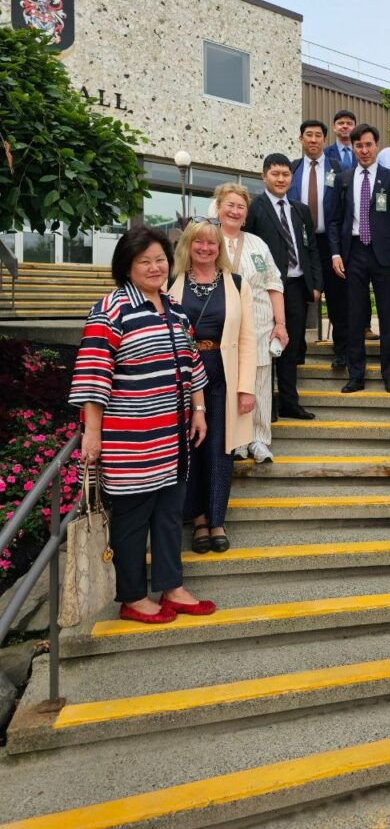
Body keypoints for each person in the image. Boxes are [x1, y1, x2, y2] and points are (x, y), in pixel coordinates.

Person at [69, 225, 214, 624]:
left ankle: (172, 586)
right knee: (132, 521)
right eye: (144, 261)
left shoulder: (173, 307)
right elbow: (93, 374)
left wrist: (199, 410)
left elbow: (193, 364)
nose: (155, 267)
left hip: (173, 436)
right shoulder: (111, 309)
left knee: (169, 515)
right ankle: (133, 597)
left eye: (160, 260)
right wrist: (92, 435)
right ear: (127, 266)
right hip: (130, 439)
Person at [170, 219, 256, 554]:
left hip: (224, 374)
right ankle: (199, 520)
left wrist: (246, 388)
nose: (205, 249)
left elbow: (248, 339)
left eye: (212, 244)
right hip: (184, 378)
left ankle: (217, 519)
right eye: (199, 243)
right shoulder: (170, 282)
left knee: (221, 449)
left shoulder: (236, 283)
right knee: (190, 447)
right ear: (188, 246)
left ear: (220, 249)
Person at [328, 123, 390, 394]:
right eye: (358, 145)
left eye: (368, 144)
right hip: (353, 253)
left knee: (389, 317)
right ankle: (356, 375)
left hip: (386, 256)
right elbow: (335, 219)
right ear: (353, 147)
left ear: (377, 145)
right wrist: (336, 253)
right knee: (354, 317)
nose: (364, 150)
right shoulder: (344, 178)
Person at [212, 182, 287, 463]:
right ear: (218, 208)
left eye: (240, 207)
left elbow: (274, 284)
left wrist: (280, 324)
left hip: (259, 325)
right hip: (221, 329)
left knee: (259, 382)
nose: (234, 211)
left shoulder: (258, 244)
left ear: (246, 214)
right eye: (229, 205)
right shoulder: (208, 240)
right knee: (229, 383)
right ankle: (235, 440)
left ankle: (259, 439)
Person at [244, 153, 322, 420]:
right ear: (264, 176)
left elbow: (311, 248)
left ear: (292, 177)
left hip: (298, 287)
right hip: (265, 290)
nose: (280, 179)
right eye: (275, 174)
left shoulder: (300, 210)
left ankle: (289, 402)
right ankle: (267, 405)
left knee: (291, 347)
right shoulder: (255, 208)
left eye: (285, 174)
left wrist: (315, 283)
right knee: (267, 346)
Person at [288, 120, 347, 370]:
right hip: (300, 243)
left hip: (330, 243)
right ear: (301, 139)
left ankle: (341, 350)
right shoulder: (293, 168)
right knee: (299, 298)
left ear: (325, 140)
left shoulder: (337, 167)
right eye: (308, 135)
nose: (313, 140)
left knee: (337, 298)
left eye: (318, 136)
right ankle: (297, 351)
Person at [324, 108, 376, 340]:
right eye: (341, 123)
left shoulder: (370, 160)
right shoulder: (326, 156)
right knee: (343, 289)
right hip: (342, 231)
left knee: (364, 288)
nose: (345, 126)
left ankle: (364, 325)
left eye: (349, 123)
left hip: (368, 233)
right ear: (335, 127)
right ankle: (343, 333)